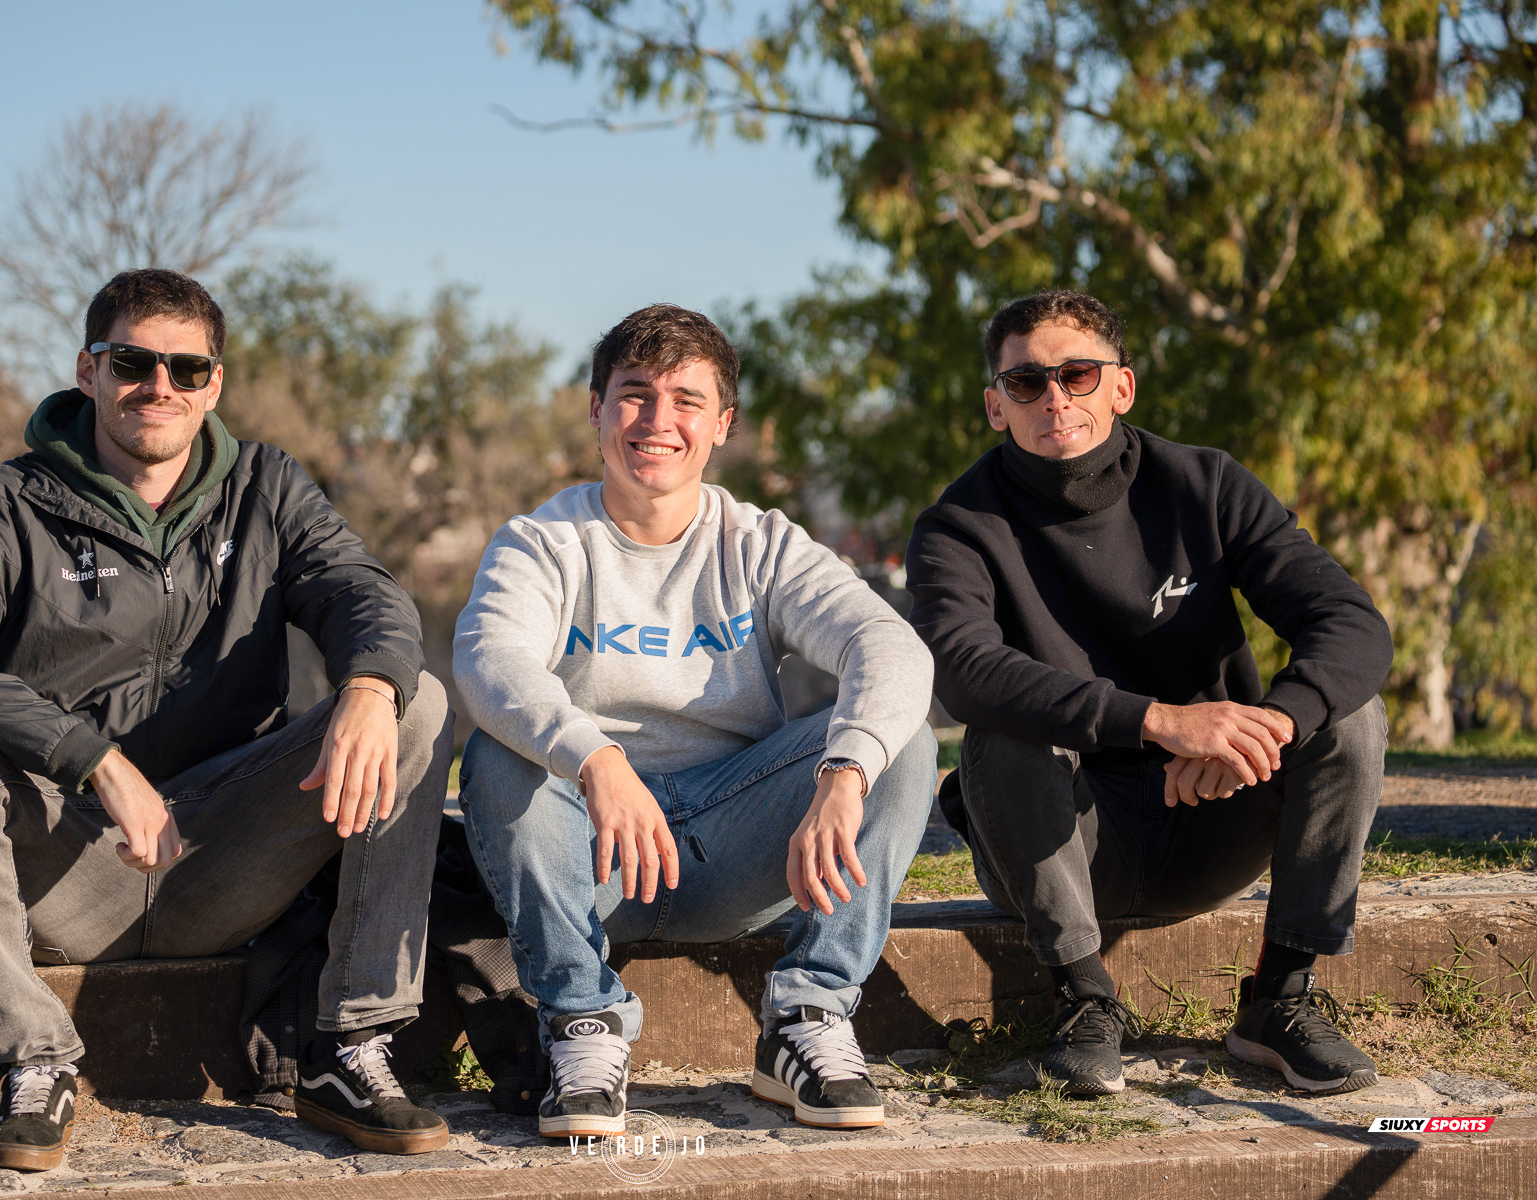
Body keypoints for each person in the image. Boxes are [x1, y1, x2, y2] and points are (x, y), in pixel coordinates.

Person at [0, 269, 453, 1169]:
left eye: (187, 370)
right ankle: (34, 1062)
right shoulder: (8, 502)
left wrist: (370, 689)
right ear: (88, 370)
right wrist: (91, 759)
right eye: (133, 363)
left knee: (413, 701)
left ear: (213, 384)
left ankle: (353, 1049)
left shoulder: (267, 486)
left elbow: (362, 594)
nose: (160, 387)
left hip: (222, 856)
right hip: (66, 861)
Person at [452, 304, 938, 1138]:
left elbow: (888, 645)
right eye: (634, 394)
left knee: (900, 744)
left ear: (723, 425)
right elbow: (489, 663)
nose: (658, 420)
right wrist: (597, 762)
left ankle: (808, 1018)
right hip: (592, 850)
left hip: (736, 842)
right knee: (499, 757)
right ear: (597, 409)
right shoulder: (542, 542)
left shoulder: (761, 543)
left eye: (686, 399)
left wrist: (845, 772)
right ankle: (581, 1023)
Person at [906, 290, 1393, 1098]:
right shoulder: (959, 526)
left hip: (1212, 819)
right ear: (997, 405)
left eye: (1077, 375)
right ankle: (1084, 1003)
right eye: (1026, 383)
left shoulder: (1204, 483)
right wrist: (1162, 724)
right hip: (1060, 843)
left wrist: (1267, 726)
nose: (1054, 398)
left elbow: (1349, 620)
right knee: (999, 731)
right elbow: (961, 670)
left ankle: (1281, 1000)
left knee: (1349, 717)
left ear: (1121, 387)